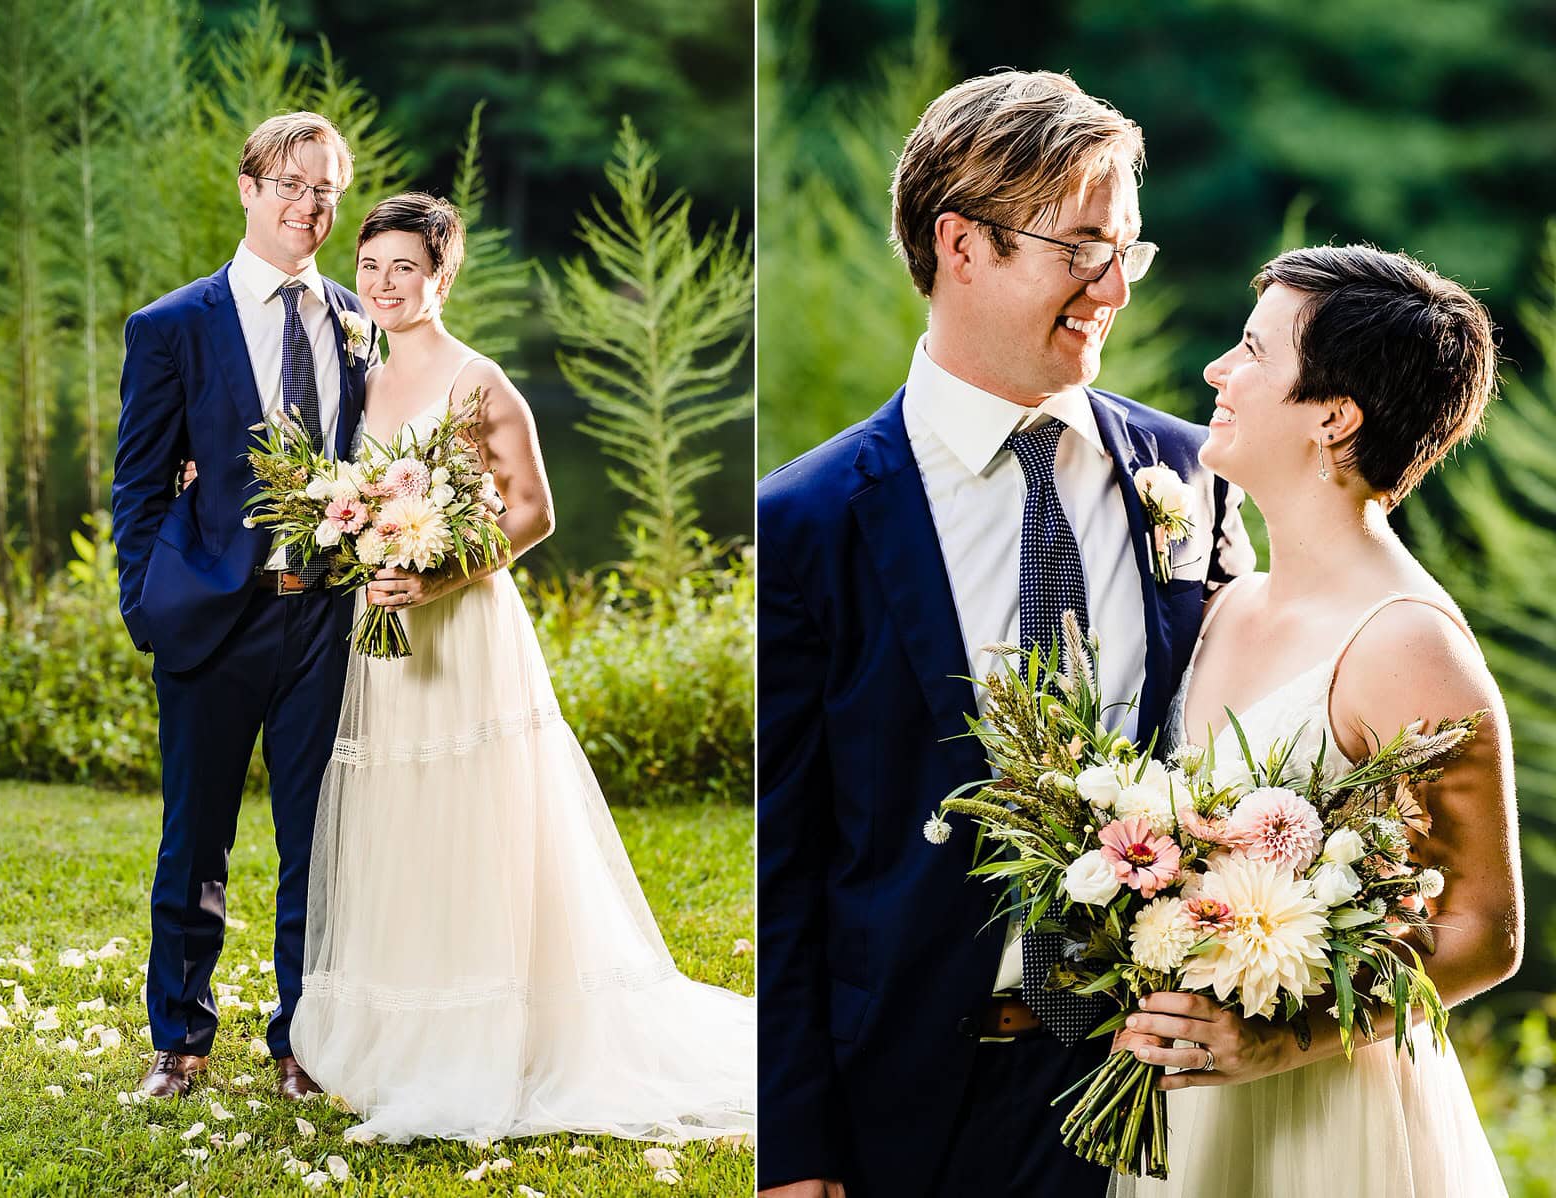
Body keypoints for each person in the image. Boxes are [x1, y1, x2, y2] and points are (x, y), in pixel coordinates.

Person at [756, 71, 1254, 1197]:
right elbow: (775, 857)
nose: (1113, 286)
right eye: (1080, 246)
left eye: (1129, 248)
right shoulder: (803, 521)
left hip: (1157, 1091)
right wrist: (790, 1148)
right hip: (908, 1095)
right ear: (961, 245)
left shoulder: (1193, 478)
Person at [280, 192, 755, 1144]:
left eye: (404, 268)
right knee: (399, 820)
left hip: (462, 635)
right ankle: (399, 1035)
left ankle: (493, 1031)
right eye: (370, 267)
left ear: (442, 276)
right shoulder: (357, 381)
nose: (383, 284)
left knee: (472, 813)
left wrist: (438, 572)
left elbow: (532, 511)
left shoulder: (480, 381)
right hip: (383, 639)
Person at [1113, 245, 1520, 1198]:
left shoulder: (1407, 642)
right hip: (1189, 1106)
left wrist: (1282, 1038)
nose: (1219, 370)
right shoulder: (1230, 604)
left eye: (1253, 352)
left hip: (1326, 1115)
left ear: (1333, 418)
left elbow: (1487, 929)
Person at [112, 112, 374, 1102]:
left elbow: (375, 461)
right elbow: (137, 487)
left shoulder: (356, 321)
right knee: (197, 839)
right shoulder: (172, 325)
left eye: (325, 191)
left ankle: (301, 1042)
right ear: (249, 189)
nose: (309, 207)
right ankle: (178, 1040)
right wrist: (148, 605)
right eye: (291, 186)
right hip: (212, 618)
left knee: (320, 841)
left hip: (323, 620)